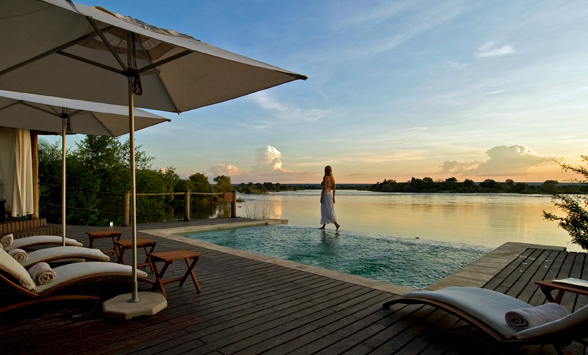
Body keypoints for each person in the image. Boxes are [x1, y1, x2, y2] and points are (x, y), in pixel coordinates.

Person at [319, 165, 340, 231]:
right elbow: (334, 188)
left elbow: (324, 188)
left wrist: (321, 197)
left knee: (327, 210)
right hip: (330, 195)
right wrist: (333, 197)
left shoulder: (325, 177)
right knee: (329, 209)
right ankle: (324, 226)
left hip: (326, 195)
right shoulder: (332, 178)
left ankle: (336, 224)